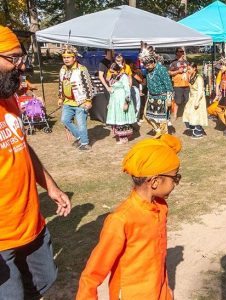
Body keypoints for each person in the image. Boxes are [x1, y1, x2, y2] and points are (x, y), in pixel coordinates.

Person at [0, 25, 71, 299]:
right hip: (2, 238)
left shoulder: (9, 99)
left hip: (31, 223)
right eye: (13, 58)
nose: (21, 66)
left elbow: (21, 146)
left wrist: (50, 187)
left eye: (21, 58)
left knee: (42, 283)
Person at [76, 134, 181, 299]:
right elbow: (92, 273)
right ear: (154, 181)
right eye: (175, 178)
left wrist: (165, 291)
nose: (175, 183)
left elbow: (158, 256)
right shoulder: (121, 219)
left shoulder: (160, 207)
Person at [58, 44, 94, 150]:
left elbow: (89, 85)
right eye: (64, 57)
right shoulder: (63, 69)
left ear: (74, 58)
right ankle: (79, 136)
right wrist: (60, 97)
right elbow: (61, 84)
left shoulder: (82, 69)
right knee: (65, 120)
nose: (66, 59)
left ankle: (85, 143)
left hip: (81, 102)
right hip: (67, 102)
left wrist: (88, 100)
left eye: (68, 57)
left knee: (81, 123)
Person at [140, 43, 173, 138]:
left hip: (162, 97)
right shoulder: (148, 70)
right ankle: (158, 130)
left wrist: (169, 99)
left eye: (148, 65)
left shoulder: (161, 69)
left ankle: (165, 139)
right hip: (151, 97)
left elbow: (168, 85)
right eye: (145, 65)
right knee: (146, 115)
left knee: (162, 120)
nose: (146, 67)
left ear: (153, 62)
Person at [106, 62, 136, 144]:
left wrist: (126, 102)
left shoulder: (124, 77)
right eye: (110, 71)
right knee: (117, 117)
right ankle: (121, 135)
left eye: (113, 71)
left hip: (121, 99)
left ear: (118, 70)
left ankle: (124, 138)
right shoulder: (114, 76)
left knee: (122, 118)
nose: (111, 73)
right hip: (114, 100)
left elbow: (127, 90)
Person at [181, 62, 208, 139]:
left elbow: (200, 90)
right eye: (188, 69)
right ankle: (195, 128)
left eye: (189, 69)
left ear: (194, 68)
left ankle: (198, 132)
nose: (188, 70)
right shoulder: (191, 76)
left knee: (196, 114)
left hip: (198, 98)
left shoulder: (199, 78)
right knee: (187, 112)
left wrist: (197, 101)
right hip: (192, 97)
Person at [168, 47, 190, 122]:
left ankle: (186, 114)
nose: (182, 53)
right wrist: (178, 71)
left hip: (186, 84)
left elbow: (190, 71)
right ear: (177, 52)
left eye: (183, 51)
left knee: (187, 100)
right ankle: (175, 115)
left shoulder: (186, 62)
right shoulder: (173, 62)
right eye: (180, 51)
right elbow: (169, 72)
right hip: (178, 85)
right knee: (177, 101)